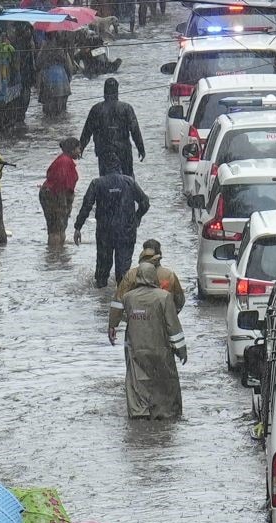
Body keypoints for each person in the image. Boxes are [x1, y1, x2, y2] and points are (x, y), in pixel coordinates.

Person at [119, 263, 187, 420]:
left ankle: (139, 415)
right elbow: (173, 326)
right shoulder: (164, 297)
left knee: (137, 383)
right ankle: (165, 414)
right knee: (165, 383)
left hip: (136, 350)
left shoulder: (128, 298)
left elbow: (124, 317)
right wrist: (181, 350)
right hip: (160, 349)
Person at [74, 154, 150, 288]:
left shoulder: (97, 183)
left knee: (102, 270)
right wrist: (137, 217)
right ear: (119, 167)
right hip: (126, 231)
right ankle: (122, 302)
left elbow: (86, 206)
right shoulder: (129, 182)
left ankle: (102, 302)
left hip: (105, 232)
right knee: (123, 271)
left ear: (103, 168)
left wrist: (78, 227)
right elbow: (145, 202)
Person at [108, 241, 185, 344]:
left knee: (135, 355)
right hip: (161, 326)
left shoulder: (131, 275)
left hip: (136, 325)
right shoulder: (169, 275)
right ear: (160, 254)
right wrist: (169, 316)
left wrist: (113, 325)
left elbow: (118, 302)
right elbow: (179, 301)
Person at [79, 77, 145, 177]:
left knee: (105, 181)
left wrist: (80, 148)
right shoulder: (126, 108)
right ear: (117, 92)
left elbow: (87, 132)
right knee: (128, 181)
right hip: (123, 151)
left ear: (104, 92)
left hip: (104, 151)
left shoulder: (96, 109)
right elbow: (135, 131)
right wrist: (141, 149)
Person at [40, 138, 81, 247]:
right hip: (54, 196)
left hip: (54, 195)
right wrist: (63, 204)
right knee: (56, 230)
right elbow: (60, 185)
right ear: (72, 150)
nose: (79, 151)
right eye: (78, 148)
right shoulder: (64, 162)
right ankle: (54, 255)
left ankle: (58, 256)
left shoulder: (65, 160)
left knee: (60, 228)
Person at [36, 34, 74, 117]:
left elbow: (38, 64)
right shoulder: (62, 49)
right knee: (61, 112)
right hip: (63, 83)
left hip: (48, 83)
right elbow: (69, 67)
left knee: (49, 114)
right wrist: (69, 79)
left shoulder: (44, 49)